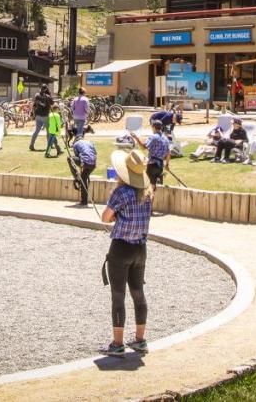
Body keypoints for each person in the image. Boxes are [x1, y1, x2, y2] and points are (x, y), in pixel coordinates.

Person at [100, 148, 153, 356]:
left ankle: (117, 343)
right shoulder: (148, 192)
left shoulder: (121, 193)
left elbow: (106, 217)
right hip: (141, 248)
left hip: (121, 248)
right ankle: (140, 339)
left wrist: (114, 218)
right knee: (138, 293)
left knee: (118, 295)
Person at [70, 135, 97, 205]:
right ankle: (84, 201)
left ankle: (76, 176)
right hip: (93, 164)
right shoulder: (90, 142)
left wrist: (82, 165)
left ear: (75, 140)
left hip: (84, 162)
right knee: (84, 180)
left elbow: (77, 156)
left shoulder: (76, 144)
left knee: (70, 158)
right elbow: (95, 153)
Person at [144, 119, 169, 186]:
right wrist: (167, 165)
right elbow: (168, 153)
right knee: (158, 186)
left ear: (154, 127)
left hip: (152, 164)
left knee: (149, 186)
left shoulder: (153, 137)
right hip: (160, 165)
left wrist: (136, 138)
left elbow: (144, 147)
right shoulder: (166, 139)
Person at [30, 84, 54, 151]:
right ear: (46, 89)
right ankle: (50, 145)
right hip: (46, 116)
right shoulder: (48, 97)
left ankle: (31, 144)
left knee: (36, 131)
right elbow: (52, 103)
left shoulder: (37, 96)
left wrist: (33, 113)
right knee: (48, 131)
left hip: (38, 116)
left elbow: (34, 105)